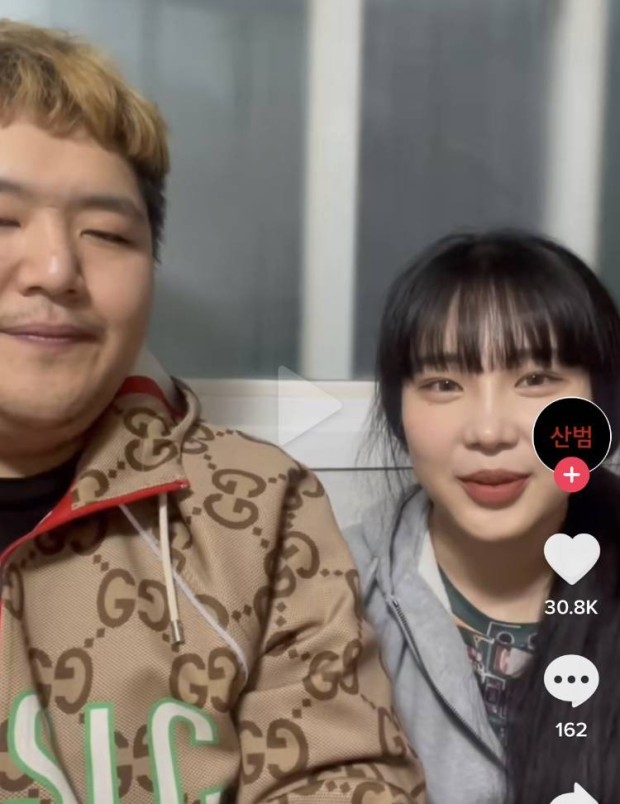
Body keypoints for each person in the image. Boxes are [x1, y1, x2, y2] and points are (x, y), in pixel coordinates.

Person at [0, 18, 426, 803]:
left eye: (106, 233)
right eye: (3, 220)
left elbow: (346, 778)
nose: (57, 269)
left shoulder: (256, 508)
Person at [344, 230, 620, 804]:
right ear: (399, 413)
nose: (489, 432)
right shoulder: (331, 594)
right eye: (444, 384)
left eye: (536, 380)